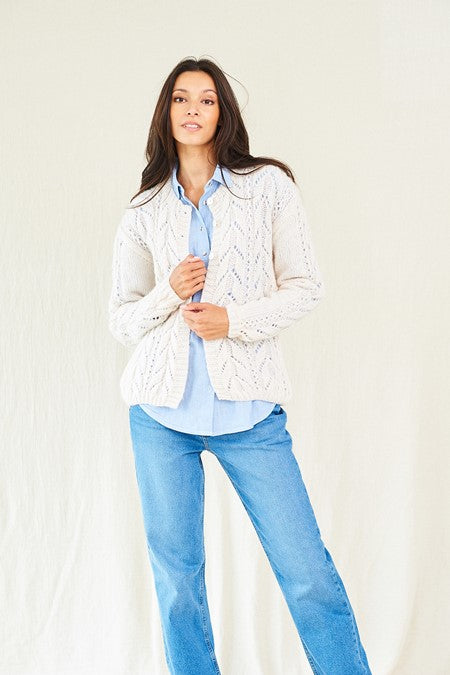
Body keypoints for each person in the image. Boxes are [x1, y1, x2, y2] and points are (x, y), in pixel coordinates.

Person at [108, 57, 372, 675]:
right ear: (166, 113)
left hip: (250, 414)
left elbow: (306, 286)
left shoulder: (268, 187)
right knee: (178, 583)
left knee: (306, 573)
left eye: (206, 99)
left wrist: (234, 320)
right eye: (181, 98)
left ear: (222, 112)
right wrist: (169, 292)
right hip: (160, 418)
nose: (193, 109)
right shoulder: (144, 208)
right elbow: (122, 320)